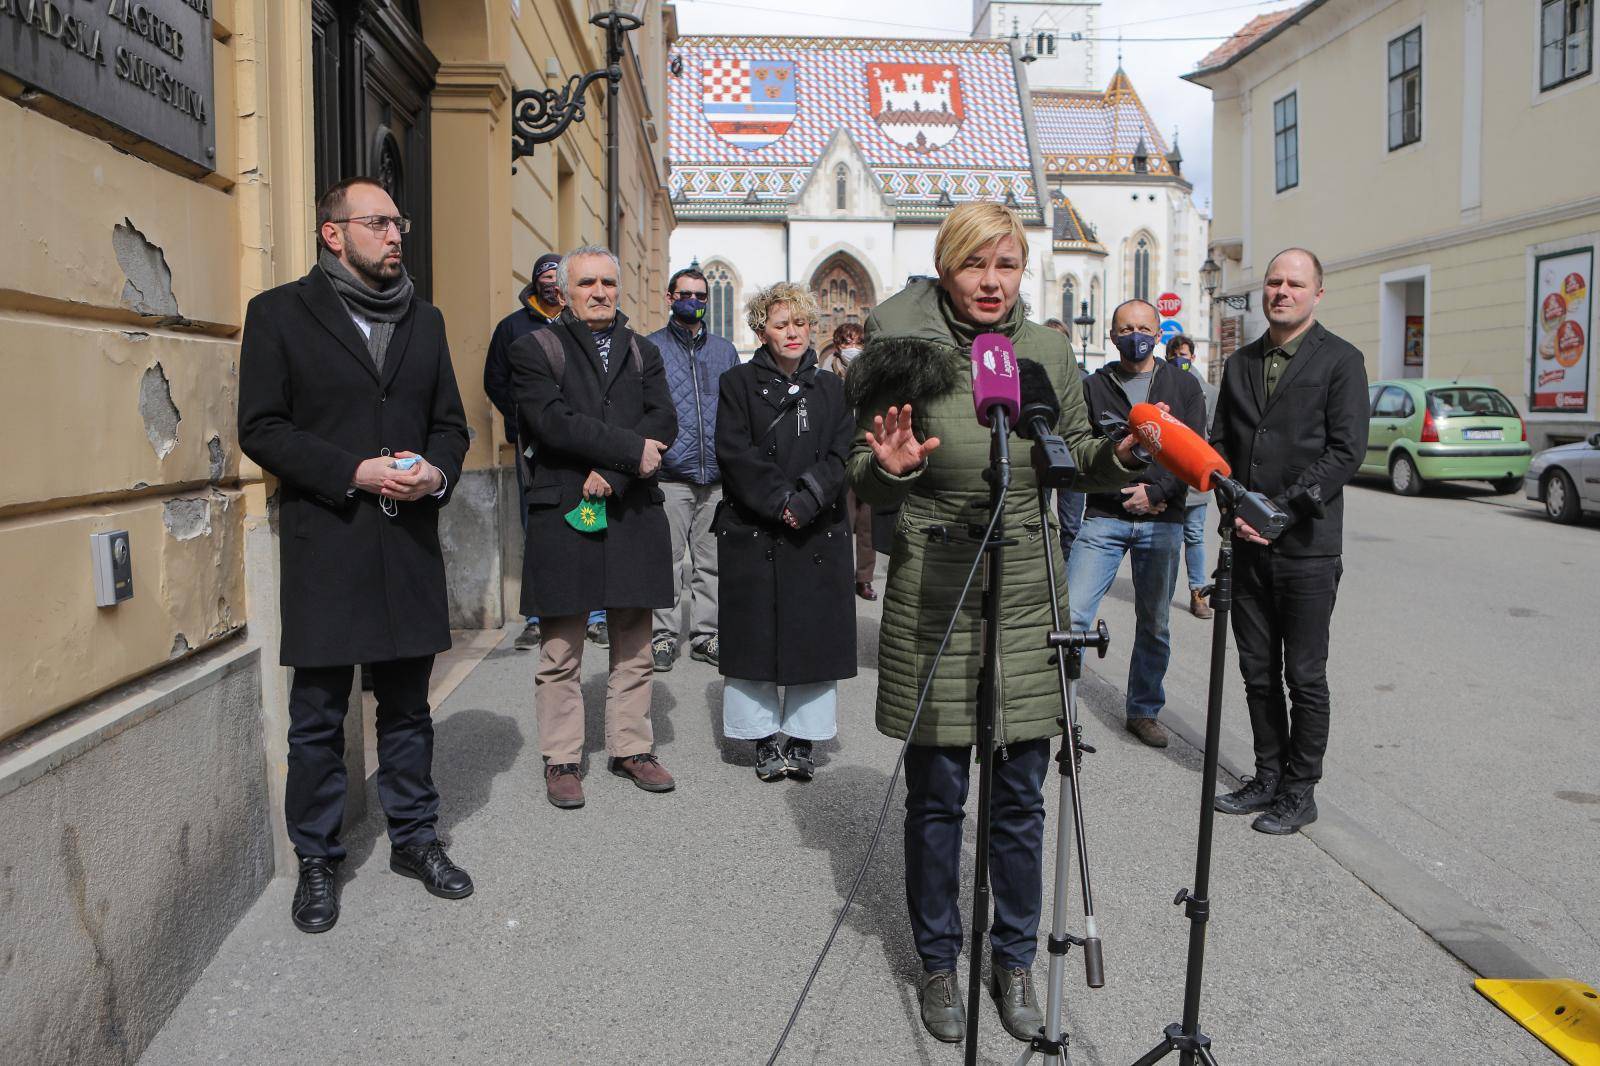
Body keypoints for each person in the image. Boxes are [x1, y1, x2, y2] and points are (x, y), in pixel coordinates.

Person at [845, 201, 1147, 1045]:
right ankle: (940, 963)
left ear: (1022, 271)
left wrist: (1115, 458)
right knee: (938, 796)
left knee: (1018, 796)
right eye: (975, 264)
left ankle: (1012, 959)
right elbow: (863, 474)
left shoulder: (1047, 350)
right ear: (946, 266)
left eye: (1005, 265)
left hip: (1025, 590)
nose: (990, 281)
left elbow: (1072, 455)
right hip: (937, 585)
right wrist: (891, 470)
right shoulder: (899, 350)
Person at [238, 176, 474, 934]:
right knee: (317, 716)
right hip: (328, 542)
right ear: (332, 233)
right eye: (378, 223)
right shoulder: (278, 314)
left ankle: (414, 838)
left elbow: (451, 425)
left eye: (398, 222)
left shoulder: (426, 321)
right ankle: (317, 857)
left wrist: (436, 472)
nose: (396, 234)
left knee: (408, 708)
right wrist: (354, 471)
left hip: (405, 544)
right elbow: (263, 428)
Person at [510, 245, 679, 810]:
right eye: (588, 283)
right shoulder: (534, 348)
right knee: (561, 646)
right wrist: (629, 451)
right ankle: (561, 758)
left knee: (634, 641)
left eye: (608, 281)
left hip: (628, 507)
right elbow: (551, 422)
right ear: (564, 289)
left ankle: (632, 747)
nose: (600, 291)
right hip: (565, 509)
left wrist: (614, 471)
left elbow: (664, 420)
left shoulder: (643, 351)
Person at [1210, 248, 1368, 835]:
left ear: (1316, 293)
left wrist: (1281, 510)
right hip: (1247, 544)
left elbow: (1345, 451)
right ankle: (1268, 775)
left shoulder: (1341, 360)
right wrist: (1236, 506)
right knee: (1256, 672)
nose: (1282, 291)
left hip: (1307, 547)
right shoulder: (1240, 363)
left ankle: (1301, 790)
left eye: (1295, 284)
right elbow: (1222, 444)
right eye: (1274, 282)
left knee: (1304, 675)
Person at [714, 283, 856, 781]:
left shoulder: (834, 387)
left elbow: (843, 451)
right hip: (757, 527)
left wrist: (808, 499)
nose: (792, 333)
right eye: (780, 324)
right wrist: (780, 503)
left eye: (799, 323)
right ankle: (760, 738)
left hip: (818, 526)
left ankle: (803, 738)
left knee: (812, 635)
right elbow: (734, 453)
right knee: (756, 637)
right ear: (762, 331)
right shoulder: (735, 384)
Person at [1066, 301, 1208, 750]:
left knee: (1156, 622)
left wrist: (1158, 492)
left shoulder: (1182, 385)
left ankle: (1144, 710)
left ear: (1159, 332)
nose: (1136, 335)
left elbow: (1194, 450)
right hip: (1105, 516)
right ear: (1112, 336)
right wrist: (1120, 483)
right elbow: (1081, 447)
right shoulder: (1094, 387)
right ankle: (1059, 708)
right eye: (1126, 328)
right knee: (1072, 616)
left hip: (1162, 519)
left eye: (1144, 327)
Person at [646, 266, 739, 671]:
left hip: (716, 478)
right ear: (670, 298)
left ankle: (706, 634)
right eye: (686, 294)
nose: (695, 302)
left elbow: (737, 409)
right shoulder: (650, 349)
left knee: (711, 562)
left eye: (702, 296)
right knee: (665, 561)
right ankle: (663, 636)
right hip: (670, 475)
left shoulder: (724, 350)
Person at [819, 322, 879, 599]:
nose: (852, 348)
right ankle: (839, 574)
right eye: (846, 343)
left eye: (857, 342)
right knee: (842, 518)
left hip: (866, 451)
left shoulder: (872, 373)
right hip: (838, 454)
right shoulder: (826, 373)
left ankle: (864, 578)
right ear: (837, 346)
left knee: (867, 523)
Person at [1164, 333, 1220, 618]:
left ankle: (1198, 593)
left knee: (1194, 535)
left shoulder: (1208, 392)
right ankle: (1161, 592)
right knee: (1169, 538)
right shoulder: (1159, 385)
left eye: (1184, 355)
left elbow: (1213, 434)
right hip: (1165, 479)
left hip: (1196, 479)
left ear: (1193, 357)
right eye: (1174, 356)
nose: (1179, 361)